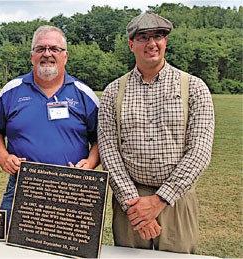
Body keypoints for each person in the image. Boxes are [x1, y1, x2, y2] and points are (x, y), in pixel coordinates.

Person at [98, 13, 214, 253]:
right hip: (130, 202)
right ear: (131, 45)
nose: (152, 43)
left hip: (176, 197)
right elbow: (108, 150)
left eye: (158, 36)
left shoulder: (194, 87)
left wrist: (160, 201)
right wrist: (134, 203)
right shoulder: (112, 92)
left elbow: (200, 151)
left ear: (166, 42)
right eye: (143, 37)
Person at [0, 25, 100, 225]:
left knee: (69, 250)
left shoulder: (84, 94)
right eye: (41, 49)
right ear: (32, 56)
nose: (47, 54)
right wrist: (3, 157)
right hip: (22, 186)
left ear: (65, 56)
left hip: (72, 189)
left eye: (54, 49)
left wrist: (90, 163)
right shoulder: (11, 90)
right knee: (11, 250)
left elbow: (101, 139)